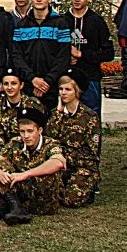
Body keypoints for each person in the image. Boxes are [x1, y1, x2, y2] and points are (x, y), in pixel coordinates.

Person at [0, 106, 66, 225]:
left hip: (44, 201)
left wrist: (26, 174)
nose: (26, 136)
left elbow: (58, 162)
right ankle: (16, 207)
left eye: (30, 131)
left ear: (40, 130)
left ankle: (12, 207)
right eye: (22, 131)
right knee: (1, 164)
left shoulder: (50, 144)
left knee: (46, 170)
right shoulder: (16, 143)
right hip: (23, 194)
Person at [12, 0, 71, 108]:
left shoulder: (60, 23)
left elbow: (63, 56)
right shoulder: (21, 25)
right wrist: (32, 79)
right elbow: (17, 56)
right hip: (28, 85)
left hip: (52, 85)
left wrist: (47, 81)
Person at [47, 71, 100, 207]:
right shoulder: (56, 114)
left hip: (81, 166)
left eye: (68, 89)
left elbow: (91, 152)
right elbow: (49, 137)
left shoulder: (89, 117)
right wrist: (58, 113)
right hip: (60, 165)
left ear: (77, 91)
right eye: (61, 89)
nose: (63, 93)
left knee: (71, 200)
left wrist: (65, 157)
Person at [66, 0, 114, 114]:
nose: (77, 0)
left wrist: (83, 55)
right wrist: (67, 58)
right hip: (67, 78)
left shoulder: (97, 21)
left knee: (92, 115)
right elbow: (54, 50)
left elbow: (108, 53)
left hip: (90, 77)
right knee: (68, 116)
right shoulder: (62, 21)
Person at [0, 68, 31, 140]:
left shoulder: (32, 104)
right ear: (2, 86)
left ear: (21, 85)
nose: (9, 87)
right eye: (6, 84)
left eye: (14, 83)